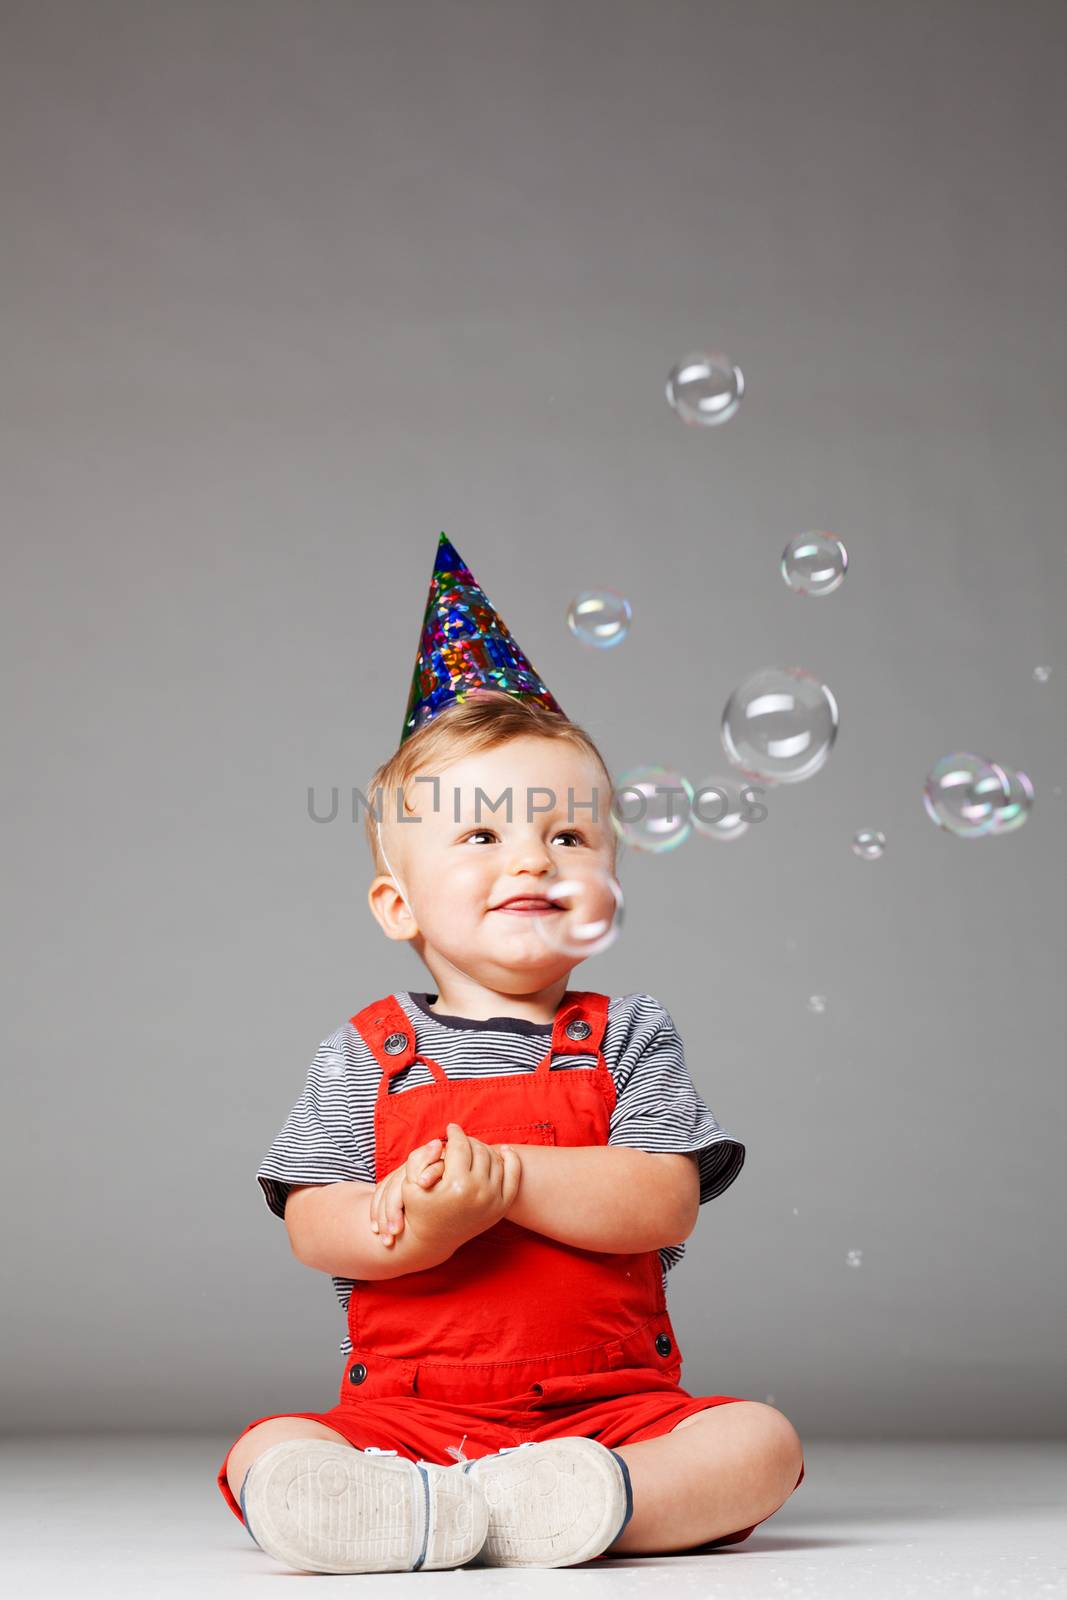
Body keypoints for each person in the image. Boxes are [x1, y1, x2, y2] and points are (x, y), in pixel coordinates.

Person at [216, 537, 805, 1572]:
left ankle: (583, 1499)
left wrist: (511, 1178)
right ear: (397, 903)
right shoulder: (368, 1051)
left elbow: (662, 1202)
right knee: (271, 1443)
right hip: (406, 1414)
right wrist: (421, 1222)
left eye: (569, 838)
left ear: (608, 882)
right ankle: (376, 1505)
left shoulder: (626, 1033)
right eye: (481, 837)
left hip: (609, 1409)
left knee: (760, 1442)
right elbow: (315, 1221)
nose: (533, 855)